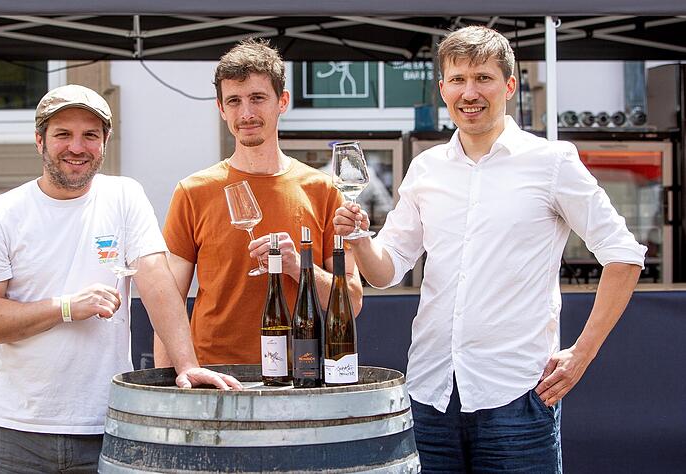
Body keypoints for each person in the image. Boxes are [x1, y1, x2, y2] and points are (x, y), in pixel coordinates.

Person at [334, 26, 645, 473]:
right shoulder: (426, 169)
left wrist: (582, 354)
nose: (469, 92)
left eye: (483, 78)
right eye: (457, 80)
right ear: (442, 88)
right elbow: (387, 271)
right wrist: (360, 239)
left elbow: (624, 254)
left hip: (517, 395)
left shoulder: (551, 162)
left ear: (509, 85)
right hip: (430, 393)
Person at [0, 84, 241, 473]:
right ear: (40, 140)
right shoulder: (0, 214)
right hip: (16, 430)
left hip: (106, 423)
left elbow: (157, 281)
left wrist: (186, 364)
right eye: (63, 134)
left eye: (90, 135)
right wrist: (65, 308)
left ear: (105, 141)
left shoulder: (124, 196)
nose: (77, 147)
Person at [155, 38, 363, 367]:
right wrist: (168, 384)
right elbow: (168, 302)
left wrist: (299, 266)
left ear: (282, 101)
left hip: (299, 372)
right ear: (221, 108)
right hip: (214, 374)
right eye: (234, 101)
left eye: (257, 98)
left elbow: (351, 301)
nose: (246, 113)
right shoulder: (193, 191)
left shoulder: (323, 190)